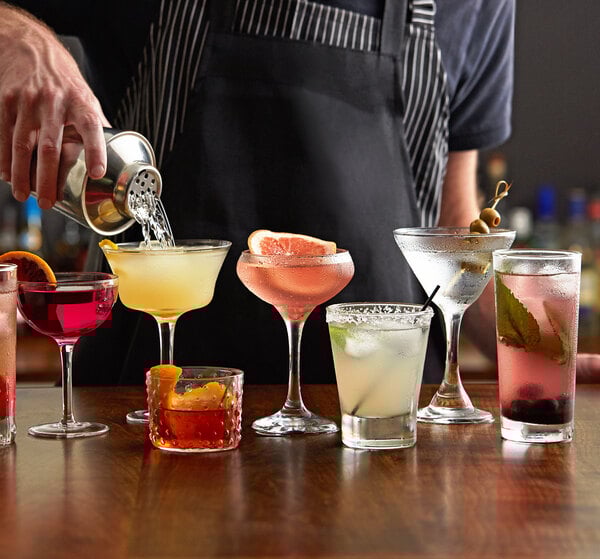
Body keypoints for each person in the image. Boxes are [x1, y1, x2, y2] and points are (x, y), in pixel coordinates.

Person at [4, 0, 594, 385]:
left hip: (383, 428)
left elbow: (455, 223)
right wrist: (25, 40)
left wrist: (541, 356)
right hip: (152, 422)